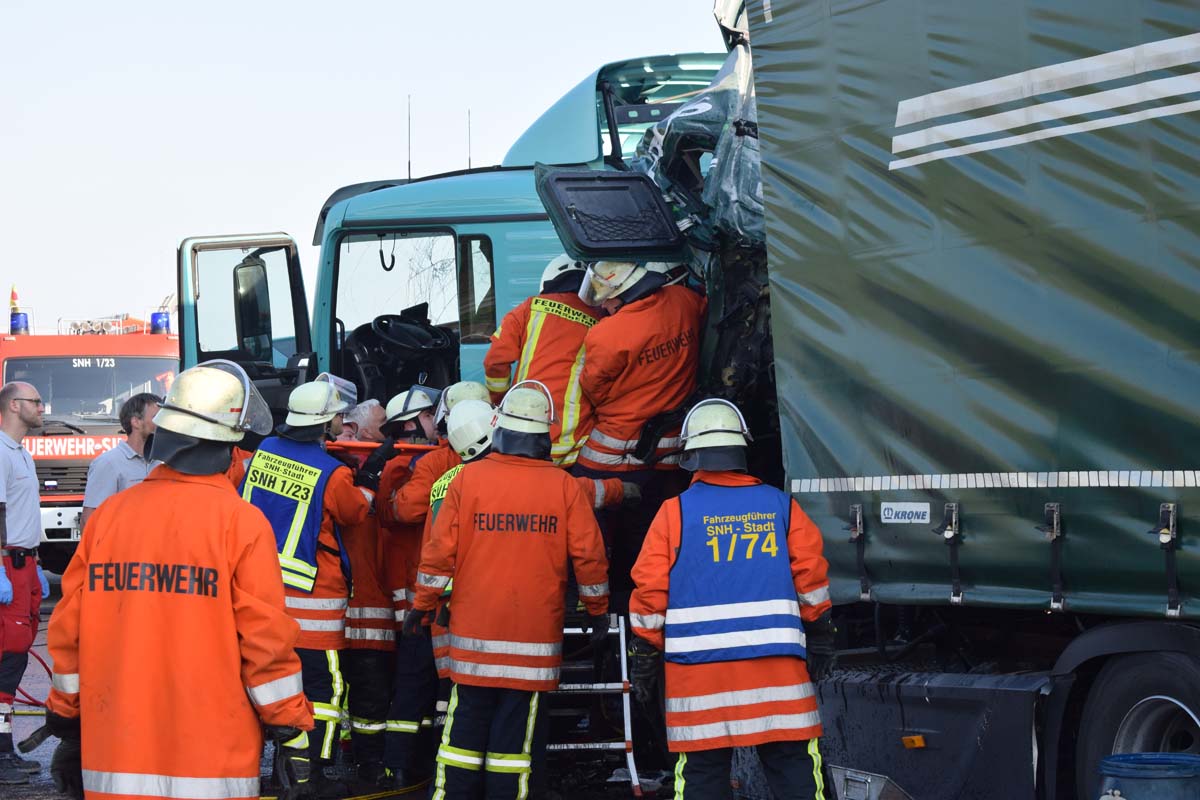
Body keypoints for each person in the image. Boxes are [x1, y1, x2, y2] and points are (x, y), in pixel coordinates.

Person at [42, 361, 315, 800]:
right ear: (231, 449)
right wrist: (290, 730)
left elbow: (68, 631)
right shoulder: (241, 523)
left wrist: (66, 720)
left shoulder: (109, 517)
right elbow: (265, 642)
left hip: (113, 760)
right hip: (212, 766)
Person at [407, 382, 610, 800]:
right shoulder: (564, 487)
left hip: (473, 642)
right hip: (532, 644)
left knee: (462, 737)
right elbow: (590, 557)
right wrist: (597, 611)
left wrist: (421, 605)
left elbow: (438, 555)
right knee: (513, 748)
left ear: (498, 427)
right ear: (545, 435)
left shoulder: (466, 481)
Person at [627, 399, 835, 800]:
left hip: (699, 682)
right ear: (741, 450)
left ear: (691, 455)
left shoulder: (674, 514)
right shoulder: (781, 507)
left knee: (702, 776)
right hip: (777, 676)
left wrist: (645, 657)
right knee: (795, 771)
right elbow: (811, 580)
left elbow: (650, 594)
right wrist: (822, 635)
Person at [241, 379, 373, 793]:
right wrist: (369, 480)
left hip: (262, 594)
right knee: (323, 690)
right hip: (315, 601)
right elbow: (355, 513)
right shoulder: (334, 474)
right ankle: (311, 773)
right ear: (324, 422)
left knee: (272, 684)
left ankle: (280, 768)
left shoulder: (264, 452)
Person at [573, 260, 707, 612]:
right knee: (651, 539)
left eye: (607, 296)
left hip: (612, 454)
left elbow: (592, 389)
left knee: (587, 524)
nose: (604, 304)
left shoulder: (607, 334)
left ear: (626, 290)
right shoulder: (684, 301)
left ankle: (597, 603)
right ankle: (646, 601)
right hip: (671, 456)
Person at [483, 254, 598, 466]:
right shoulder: (602, 320)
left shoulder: (529, 308)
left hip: (522, 436)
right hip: (573, 446)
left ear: (549, 280)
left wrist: (499, 400)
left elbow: (495, 361)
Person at [337, 401, 396, 785]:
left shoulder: (383, 469)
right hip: (348, 608)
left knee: (369, 696)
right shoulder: (339, 474)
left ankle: (367, 762)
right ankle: (357, 762)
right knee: (351, 694)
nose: (388, 432)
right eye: (382, 424)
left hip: (370, 607)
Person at [0, 382, 49, 784]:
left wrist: (36, 564)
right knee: (8, 658)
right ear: (14, 405)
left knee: (14, 659)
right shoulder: (1, 452)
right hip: (9, 563)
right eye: (36, 402)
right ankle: (1, 753)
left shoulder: (21, 453)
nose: (42, 408)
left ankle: (5, 749)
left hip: (25, 563)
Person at [80, 392, 161, 530]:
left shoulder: (162, 463)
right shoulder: (109, 463)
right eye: (156, 417)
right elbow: (90, 521)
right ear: (136, 422)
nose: (162, 423)